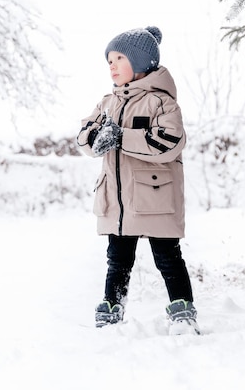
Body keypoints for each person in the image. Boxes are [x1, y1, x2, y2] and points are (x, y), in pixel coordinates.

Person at [77, 26, 199, 334]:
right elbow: (83, 135)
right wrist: (96, 138)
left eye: (119, 58)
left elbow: (169, 141)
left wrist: (121, 137)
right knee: (117, 259)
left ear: (142, 63)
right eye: (109, 60)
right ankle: (112, 304)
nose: (112, 65)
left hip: (155, 197)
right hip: (117, 200)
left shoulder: (162, 103)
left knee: (168, 257)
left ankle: (182, 306)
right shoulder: (107, 103)